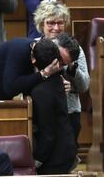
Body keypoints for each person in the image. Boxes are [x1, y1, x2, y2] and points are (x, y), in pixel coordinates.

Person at [33, 0, 90, 155]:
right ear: (41, 24)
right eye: (50, 23)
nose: (56, 28)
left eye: (60, 23)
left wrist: (71, 68)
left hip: (70, 112)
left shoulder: (74, 47)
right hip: (41, 114)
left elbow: (84, 86)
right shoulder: (33, 48)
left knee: (66, 158)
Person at [32, 34, 80, 174]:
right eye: (57, 59)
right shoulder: (55, 81)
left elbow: (48, 133)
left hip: (55, 154)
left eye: (63, 64)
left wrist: (37, 161)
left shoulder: (44, 89)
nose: (57, 66)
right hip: (61, 148)